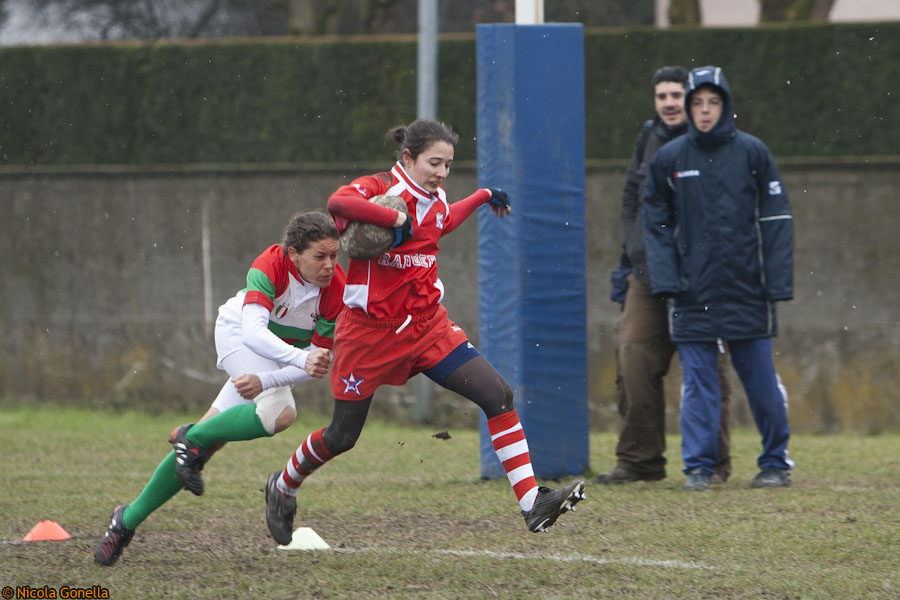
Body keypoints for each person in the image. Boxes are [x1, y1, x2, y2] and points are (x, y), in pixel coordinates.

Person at [263, 118, 585, 543]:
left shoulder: (436, 198)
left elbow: (443, 221)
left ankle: (532, 503)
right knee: (343, 435)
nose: (441, 173)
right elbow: (337, 204)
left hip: (426, 327)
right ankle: (283, 486)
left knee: (498, 394)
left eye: (448, 165)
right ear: (408, 157)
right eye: (434, 163)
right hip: (369, 335)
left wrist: (484, 196)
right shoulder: (379, 188)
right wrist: (392, 220)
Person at [93, 211, 347, 565]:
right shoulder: (271, 264)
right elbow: (254, 335)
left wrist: (272, 377)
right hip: (238, 337)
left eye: (335, 255)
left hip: (274, 360)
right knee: (279, 413)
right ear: (293, 255)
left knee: (201, 450)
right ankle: (191, 435)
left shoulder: (337, 290)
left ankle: (126, 519)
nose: (329, 265)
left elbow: (316, 366)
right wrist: (296, 363)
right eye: (320, 256)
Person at [642, 66, 794, 492]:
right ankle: (699, 468)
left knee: (761, 382)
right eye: (697, 104)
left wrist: (777, 283)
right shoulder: (670, 159)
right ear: (689, 109)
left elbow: (778, 219)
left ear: (725, 105)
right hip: (691, 293)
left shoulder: (753, 153)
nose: (704, 112)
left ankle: (775, 462)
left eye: (713, 103)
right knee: (699, 384)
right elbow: (654, 224)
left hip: (749, 291)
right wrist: (668, 280)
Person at [596, 66, 733, 485]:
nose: (670, 103)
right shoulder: (649, 138)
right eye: (662, 96)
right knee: (633, 357)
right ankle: (640, 462)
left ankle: (710, 464)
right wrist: (627, 262)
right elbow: (631, 203)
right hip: (648, 275)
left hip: (701, 278)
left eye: (677, 95)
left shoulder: (715, 144)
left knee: (708, 369)